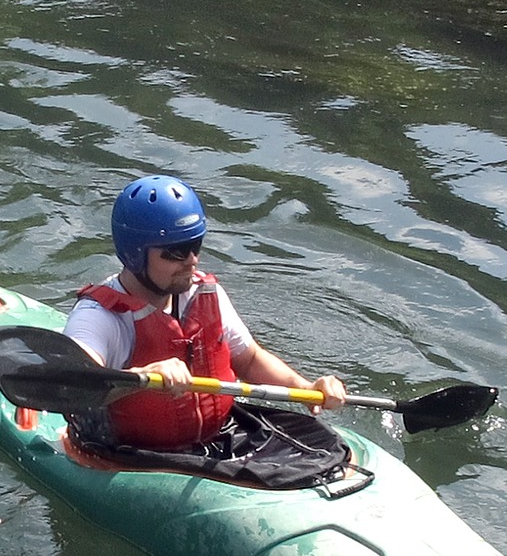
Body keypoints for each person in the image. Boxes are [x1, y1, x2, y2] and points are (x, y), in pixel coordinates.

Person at [63, 175, 350, 482]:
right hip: (132, 451)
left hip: (219, 436)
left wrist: (305, 389)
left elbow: (250, 360)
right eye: (175, 252)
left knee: (323, 446)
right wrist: (142, 377)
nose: (192, 260)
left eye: (194, 245)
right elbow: (74, 385)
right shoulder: (100, 316)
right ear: (135, 252)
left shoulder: (203, 294)